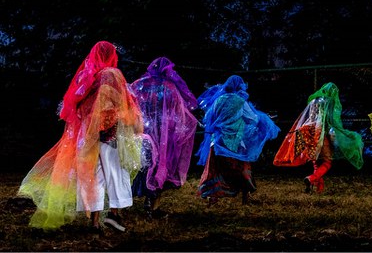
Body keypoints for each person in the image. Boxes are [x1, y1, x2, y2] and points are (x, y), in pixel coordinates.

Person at [18, 41, 143, 232]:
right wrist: (129, 123)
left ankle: (94, 222)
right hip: (108, 133)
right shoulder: (112, 74)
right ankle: (114, 214)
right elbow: (122, 102)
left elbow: (77, 105)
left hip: (88, 135)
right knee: (116, 173)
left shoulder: (88, 76)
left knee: (94, 177)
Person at [130, 57, 198, 218]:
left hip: (144, 131)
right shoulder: (170, 87)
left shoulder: (140, 85)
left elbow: (130, 103)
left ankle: (147, 199)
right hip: (164, 136)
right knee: (161, 164)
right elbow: (181, 111)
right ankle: (154, 206)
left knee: (145, 164)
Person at [196, 75, 280, 205]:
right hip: (234, 142)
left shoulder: (218, 100)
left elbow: (208, 118)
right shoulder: (240, 101)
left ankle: (213, 198)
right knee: (242, 168)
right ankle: (245, 198)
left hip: (217, 141)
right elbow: (253, 119)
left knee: (214, 169)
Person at [273, 82, 364, 193]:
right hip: (319, 132)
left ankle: (318, 189)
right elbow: (331, 121)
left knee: (316, 162)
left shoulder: (314, 101)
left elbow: (309, 118)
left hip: (307, 131)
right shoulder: (329, 102)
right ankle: (311, 178)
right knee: (327, 162)